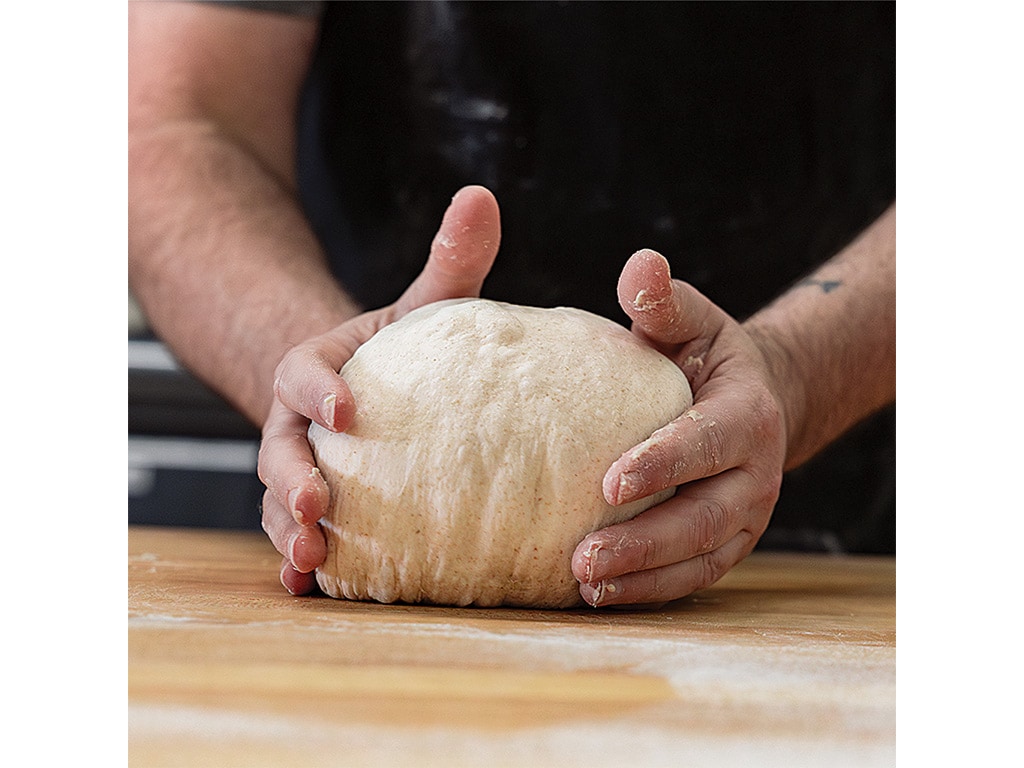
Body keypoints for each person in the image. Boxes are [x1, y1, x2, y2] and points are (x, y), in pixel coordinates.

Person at [128, 1, 895, 607]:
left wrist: (791, 372)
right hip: (343, 530)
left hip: (849, 535)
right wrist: (331, 379)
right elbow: (173, 127)